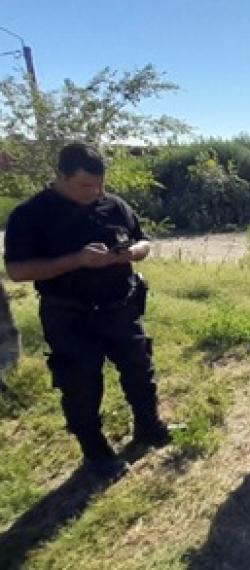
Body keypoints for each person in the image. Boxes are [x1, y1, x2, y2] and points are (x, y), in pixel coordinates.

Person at [4, 142, 171, 478]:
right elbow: (18, 270)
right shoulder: (31, 214)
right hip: (69, 314)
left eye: (100, 184)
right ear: (60, 177)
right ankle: (96, 454)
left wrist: (131, 253)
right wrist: (77, 260)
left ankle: (148, 428)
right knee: (80, 384)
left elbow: (143, 241)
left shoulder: (114, 206)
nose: (96, 192)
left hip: (121, 305)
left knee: (140, 369)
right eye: (86, 185)